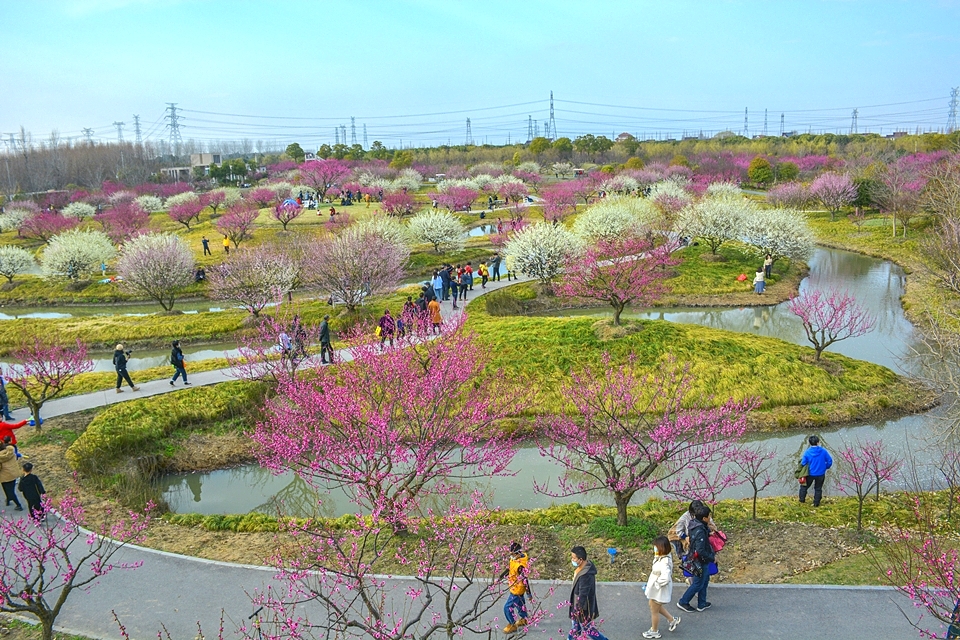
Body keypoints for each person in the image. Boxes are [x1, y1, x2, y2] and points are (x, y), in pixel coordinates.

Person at [677, 504, 716, 613]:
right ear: (704, 518)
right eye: (708, 516)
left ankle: (702, 603)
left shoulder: (695, 524)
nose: (710, 518)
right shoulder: (700, 531)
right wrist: (712, 558)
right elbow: (700, 551)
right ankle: (683, 601)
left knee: (705, 580)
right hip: (699, 561)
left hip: (698, 560)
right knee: (698, 583)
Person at [644, 536, 680, 638]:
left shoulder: (665, 562)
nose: (654, 548)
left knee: (654, 610)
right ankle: (672, 620)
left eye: (656, 547)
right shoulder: (661, 557)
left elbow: (665, 578)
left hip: (659, 590)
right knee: (653, 605)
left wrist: (656, 584)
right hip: (656, 589)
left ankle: (654, 631)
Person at [568, 546, 607, 640]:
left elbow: (583, 595)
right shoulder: (584, 568)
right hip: (578, 606)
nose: (572, 560)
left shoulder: (586, 575)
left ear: (580, 560)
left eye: (574, 558)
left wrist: (577, 611)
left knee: (587, 629)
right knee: (577, 629)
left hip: (582, 608)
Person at [501, 541, 531, 634]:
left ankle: (512, 624)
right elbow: (509, 568)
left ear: (518, 553)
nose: (511, 556)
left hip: (517, 589)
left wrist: (529, 594)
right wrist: (500, 577)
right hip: (514, 586)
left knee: (507, 607)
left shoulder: (520, 566)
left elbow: (525, 580)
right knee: (520, 604)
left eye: (512, 554)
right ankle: (524, 618)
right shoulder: (514, 559)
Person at [799, 435, 833, 507]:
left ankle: (802, 500)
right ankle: (816, 503)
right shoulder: (823, 451)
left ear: (810, 443)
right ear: (818, 442)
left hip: (810, 473)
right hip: (821, 473)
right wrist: (825, 467)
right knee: (818, 488)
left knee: (804, 487)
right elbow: (829, 461)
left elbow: (803, 463)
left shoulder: (807, 452)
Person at [0, 442, 21, 511]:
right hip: (13, 473)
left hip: (5, 476)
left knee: (8, 491)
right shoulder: (10, 451)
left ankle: (18, 505)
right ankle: (8, 500)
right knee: (11, 489)